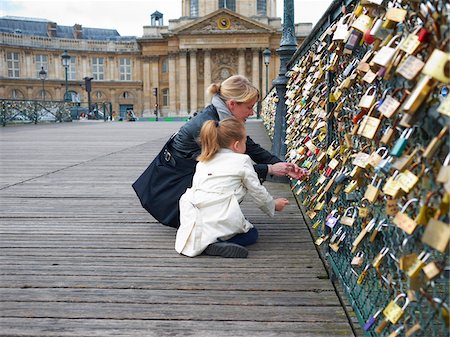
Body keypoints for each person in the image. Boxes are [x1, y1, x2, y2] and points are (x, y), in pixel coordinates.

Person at [132, 74, 308, 229]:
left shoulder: (221, 115)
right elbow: (226, 169)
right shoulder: (208, 124)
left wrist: (281, 165)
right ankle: (212, 223)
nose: (252, 112)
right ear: (232, 104)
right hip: (174, 185)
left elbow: (250, 146)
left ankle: (216, 218)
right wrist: (269, 169)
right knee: (236, 180)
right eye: (249, 107)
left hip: (185, 175)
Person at [175, 118, 289, 258]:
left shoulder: (203, 161)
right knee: (252, 233)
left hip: (194, 213)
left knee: (218, 219)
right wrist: (273, 205)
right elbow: (257, 191)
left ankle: (204, 240)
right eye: (244, 142)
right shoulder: (242, 161)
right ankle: (216, 243)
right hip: (221, 212)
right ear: (236, 145)